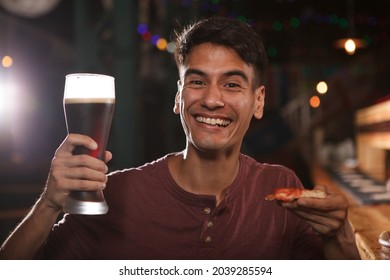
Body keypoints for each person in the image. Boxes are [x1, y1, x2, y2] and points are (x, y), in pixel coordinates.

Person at [0, 16, 360, 260]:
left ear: (259, 101)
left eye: (232, 84)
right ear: (178, 96)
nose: (212, 99)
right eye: (197, 81)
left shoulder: (283, 187)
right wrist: (49, 203)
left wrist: (338, 234)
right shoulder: (116, 194)